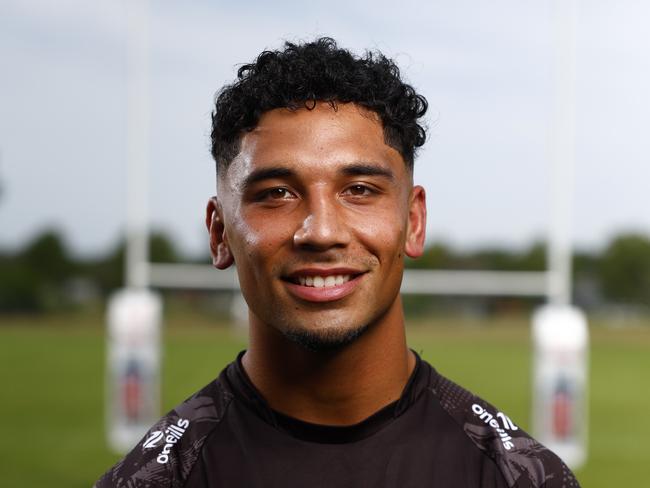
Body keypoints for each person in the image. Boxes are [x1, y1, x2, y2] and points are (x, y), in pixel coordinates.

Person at [96, 38, 580, 487]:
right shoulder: (155, 479)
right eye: (277, 193)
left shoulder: (518, 476)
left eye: (359, 190)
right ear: (220, 233)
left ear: (413, 221)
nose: (321, 231)